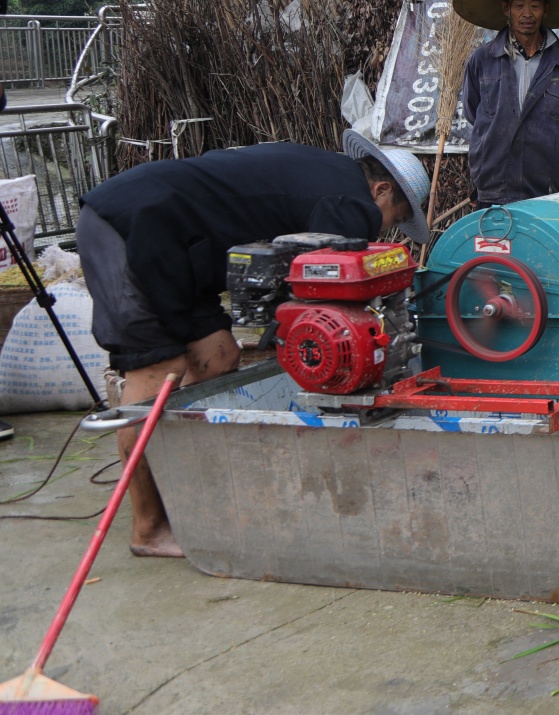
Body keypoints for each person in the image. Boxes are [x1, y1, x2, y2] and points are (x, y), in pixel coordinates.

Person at [75, 136, 430, 558]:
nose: (381, 228)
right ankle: (148, 527)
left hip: (177, 241)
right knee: (157, 372)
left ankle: (184, 493)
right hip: (134, 225)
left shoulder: (328, 173)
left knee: (218, 358)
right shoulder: (351, 202)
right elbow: (324, 300)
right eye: (391, 219)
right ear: (382, 190)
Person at [454, 0, 559, 208]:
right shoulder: (482, 60)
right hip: (494, 185)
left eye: (535, 6)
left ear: (546, 10)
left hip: (549, 187)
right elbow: (472, 113)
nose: (527, 14)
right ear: (506, 8)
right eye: (519, 5)